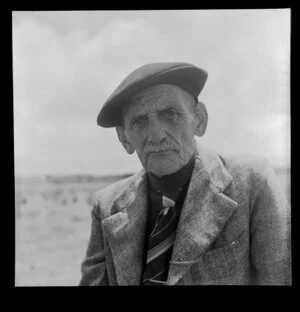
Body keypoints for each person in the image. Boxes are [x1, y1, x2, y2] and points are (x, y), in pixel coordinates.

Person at [79, 62, 290, 285]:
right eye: (140, 122)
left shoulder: (252, 182)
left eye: (170, 114)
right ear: (124, 138)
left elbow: (281, 277)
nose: (157, 135)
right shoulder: (106, 206)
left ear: (199, 119)